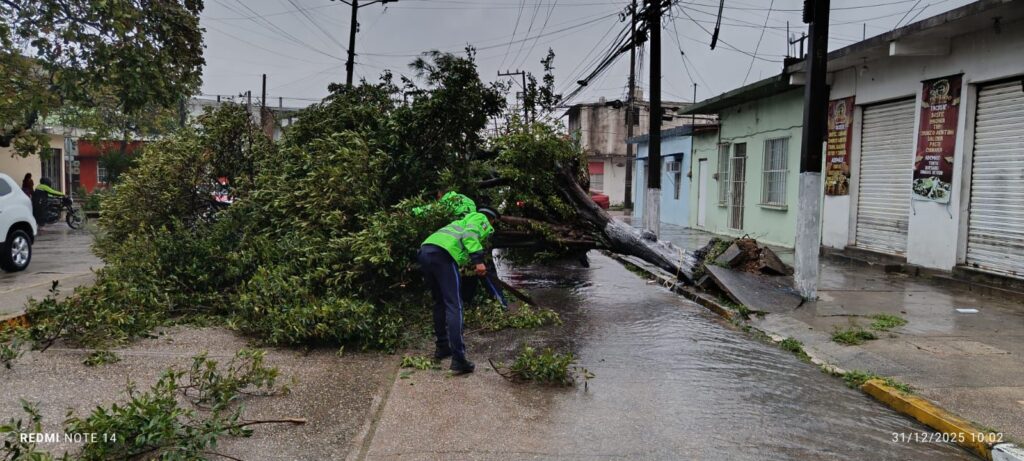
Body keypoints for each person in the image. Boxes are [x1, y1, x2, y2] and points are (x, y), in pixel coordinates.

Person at [417, 209, 496, 374]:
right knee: (454, 305)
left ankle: (442, 347)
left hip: (425, 251)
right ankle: (459, 359)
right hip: (442, 255)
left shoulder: (460, 222)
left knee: (439, 302)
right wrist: (478, 260)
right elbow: (470, 234)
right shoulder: (481, 218)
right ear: (492, 220)